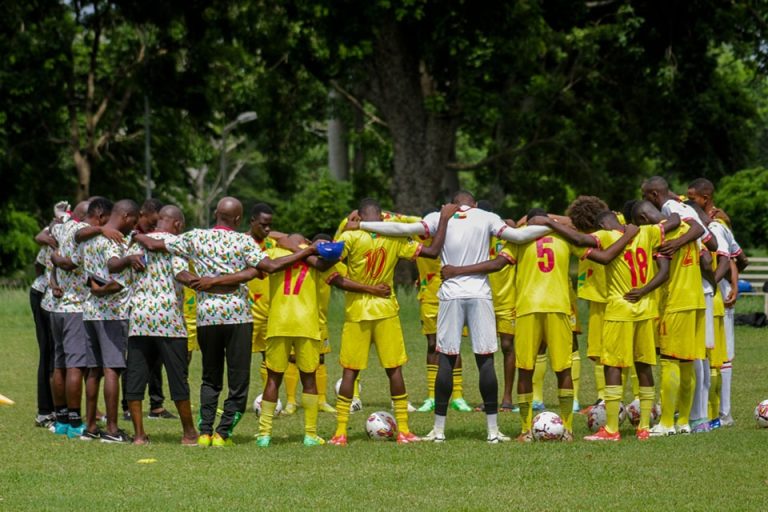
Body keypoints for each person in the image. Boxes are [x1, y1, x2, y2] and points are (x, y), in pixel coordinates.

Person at [356, 191, 551, 443]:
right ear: (473, 203)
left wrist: (362, 224)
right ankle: (493, 431)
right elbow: (520, 235)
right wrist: (554, 228)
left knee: (446, 359)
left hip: (450, 294)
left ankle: (438, 430)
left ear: (453, 203)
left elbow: (399, 228)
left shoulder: (438, 216)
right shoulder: (488, 216)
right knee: (486, 359)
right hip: (480, 293)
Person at [135, 197, 316, 447]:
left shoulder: (195, 237)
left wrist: (138, 236)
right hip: (238, 315)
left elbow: (159, 246)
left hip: (206, 316)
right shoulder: (243, 241)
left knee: (210, 377)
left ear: (216, 214)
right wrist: (306, 251)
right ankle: (222, 433)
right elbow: (270, 267)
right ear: (239, 219)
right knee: (238, 379)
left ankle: (205, 432)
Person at [328, 199, 455, 446]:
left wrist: (343, 231)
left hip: (357, 312)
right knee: (394, 370)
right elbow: (431, 252)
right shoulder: (395, 239)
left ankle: (340, 433)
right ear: (383, 219)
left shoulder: (352, 238)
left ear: (361, 218)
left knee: (350, 372)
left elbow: (331, 267)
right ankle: (404, 431)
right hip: (386, 310)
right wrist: (444, 221)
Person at [122, 205, 198, 445]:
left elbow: (125, 278)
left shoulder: (135, 245)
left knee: (135, 377)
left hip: (140, 319)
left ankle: (139, 435)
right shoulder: (175, 245)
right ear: (176, 223)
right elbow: (179, 274)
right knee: (178, 377)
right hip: (169, 320)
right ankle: (188, 433)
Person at [628, 202, 705, 436]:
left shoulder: (661, 234)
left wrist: (641, 291)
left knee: (670, 361)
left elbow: (664, 274)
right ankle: (683, 421)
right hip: (696, 300)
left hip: (675, 302)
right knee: (686, 363)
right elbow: (700, 230)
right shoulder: (686, 224)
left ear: (642, 218)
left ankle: (666, 423)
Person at [47, 198, 117, 439]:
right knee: (75, 366)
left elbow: (55, 238)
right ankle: (75, 421)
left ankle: (61, 418)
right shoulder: (80, 230)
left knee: (59, 365)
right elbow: (79, 240)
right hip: (75, 307)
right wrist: (101, 230)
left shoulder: (63, 227)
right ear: (98, 215)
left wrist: (56, 265)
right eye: (108, 219)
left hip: (57, 308)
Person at [75, 199, 139, 443]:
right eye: (132, 220)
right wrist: (128, 261)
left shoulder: (89, 241)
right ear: (124, 215)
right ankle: (112, 429)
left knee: (94, 371)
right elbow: (113, 271)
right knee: (112, 369)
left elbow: (88, 274)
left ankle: (90, 426)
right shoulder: (116, 241)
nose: (132, 226)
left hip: (90, 313)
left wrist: (96, 289)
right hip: (113, 314)